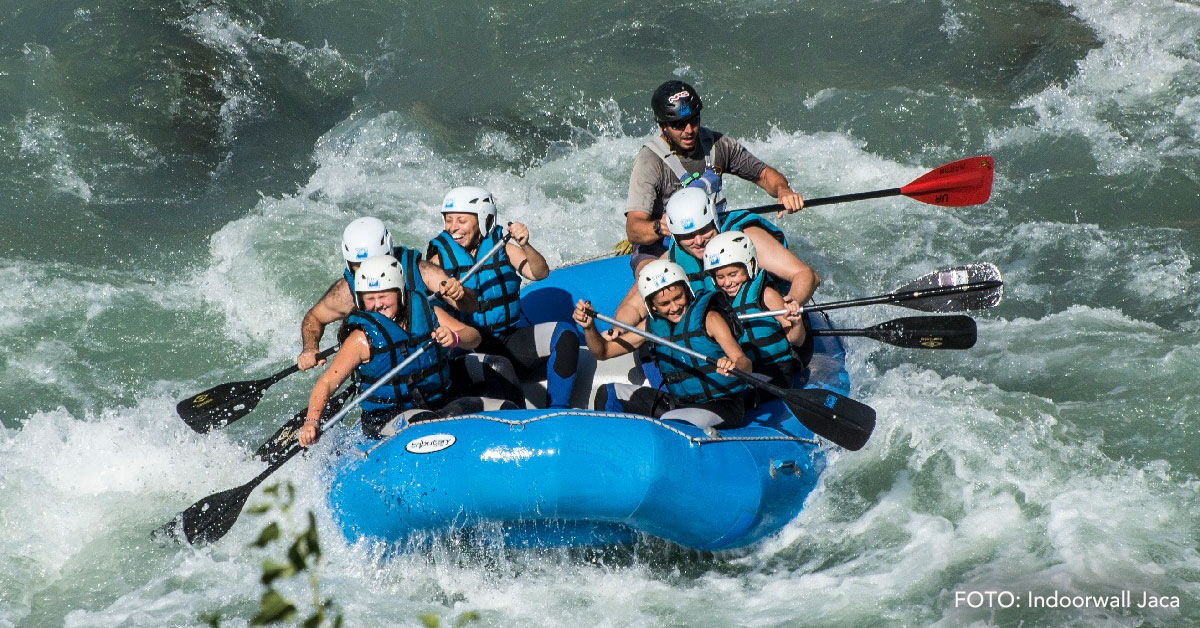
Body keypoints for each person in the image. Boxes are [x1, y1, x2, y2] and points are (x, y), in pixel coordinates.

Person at [298, 255, 520, 447]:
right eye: (370, 298)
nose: (377, 305)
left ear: (400, 293)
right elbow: (326, 382)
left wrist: (454, 338)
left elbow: (474, 337)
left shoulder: (425, 311)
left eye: (384, 295)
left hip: (438, 401)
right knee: (429, 423)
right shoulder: (361, 339)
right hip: (388, 417)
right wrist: (311, 422)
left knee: (505, 408)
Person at [624, 80, 806, 273]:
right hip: (661, 244)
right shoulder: (650, 161)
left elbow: (764, 174)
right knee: (659, 287)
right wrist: (659, 228)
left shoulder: (717, 145)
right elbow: (633, 228)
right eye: (678, 124)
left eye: (693, 120)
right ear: (663, 127)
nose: (688, 130)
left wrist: (783, 190)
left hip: (709, 236)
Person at [426, 186, 581, 409]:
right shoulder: (438, 259)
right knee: (499, 366)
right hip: (467, 348)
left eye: (461, 220)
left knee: (565, 334)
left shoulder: (501, 246)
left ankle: (556, 411)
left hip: (506, 339)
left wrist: (525, 244)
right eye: (449, 220)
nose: (453, 228)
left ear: (483, 218)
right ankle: (517, 423)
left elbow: (539, 273)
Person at [573, 260, 752, 430]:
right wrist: (589, 328)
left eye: (678, 297)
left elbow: (744, 363)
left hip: (723, 405)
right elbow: (602, 352)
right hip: (679, 404)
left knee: (672, 422)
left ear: (686, 290)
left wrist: (733, 365)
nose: (674, 307)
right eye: (665, 303)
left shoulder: (710, 318)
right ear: (652, 306)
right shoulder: (651, 326)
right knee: (609, 393)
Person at [612, 187, 819, 328]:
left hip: (766, 324)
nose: (699, 241)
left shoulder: (747, 239)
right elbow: (632, 306)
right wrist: (618, 329)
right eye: (688, 236)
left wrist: (792, 303)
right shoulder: (673, 259)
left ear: (714, 220)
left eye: (704, 230)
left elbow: (806, 275)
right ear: (674, 236)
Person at [296, 216, 476, 371]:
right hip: (388, 375)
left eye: (374, 262)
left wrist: (460, 294)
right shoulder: (347, 292)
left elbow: (471, 306)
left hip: (437, 360)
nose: (369, 272)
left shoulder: (420, 272)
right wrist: (310, 348)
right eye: (359, 266)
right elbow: (314, 318)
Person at [703, 230, 804, 387]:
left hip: (776, 371)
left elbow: (796, 340)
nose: (727, 283)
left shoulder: (766, 295)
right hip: (744, 372)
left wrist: (797, 323)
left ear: (749, 266)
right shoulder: (717, 303)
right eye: (720, 277)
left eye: (733, 274)